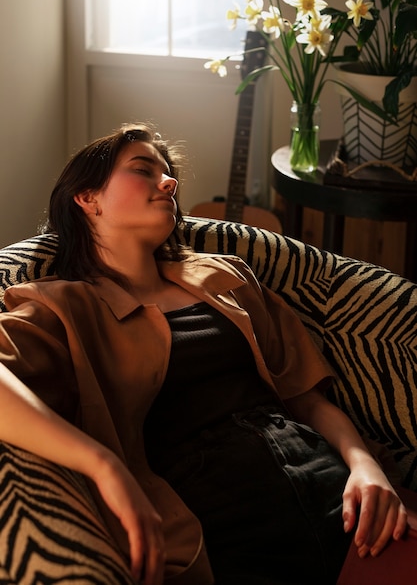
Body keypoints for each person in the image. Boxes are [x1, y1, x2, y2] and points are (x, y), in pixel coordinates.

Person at [0, 123, 407, 585]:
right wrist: (103, 465)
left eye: (168, 172)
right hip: (217, 527)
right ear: (88, 198)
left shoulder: (225, 275)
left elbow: (307, 399)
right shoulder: (60, 307)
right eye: (143, 170)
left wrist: (366, 467)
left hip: (337, 491)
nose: (169, 182)